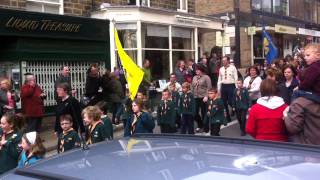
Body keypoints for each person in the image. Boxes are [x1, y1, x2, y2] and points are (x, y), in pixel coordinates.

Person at [191, 63, 212, 132]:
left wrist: (206, 96)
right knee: (194, 113)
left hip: (203, 98)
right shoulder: (194, 77)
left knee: (204, 113)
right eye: (195, 70)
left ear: (201, 70)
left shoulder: (206, 77)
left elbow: (209, 88)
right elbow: (192, 87)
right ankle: (200, 124)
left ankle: (206, 127)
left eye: (198, 70)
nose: (196, 71)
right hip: (195, 97)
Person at [217, 56, 238, 123]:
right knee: (223, 103)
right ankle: (227, 117)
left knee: (230, 101)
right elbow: (219, 79)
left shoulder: (233, 68)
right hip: (224, 86)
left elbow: (236, 78)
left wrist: (237, 88)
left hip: (231, 86)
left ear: (228, 61)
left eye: (225, 60)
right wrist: (218, 89)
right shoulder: (221, 69)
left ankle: (236, 109)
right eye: (223, 61)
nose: (223, 62)